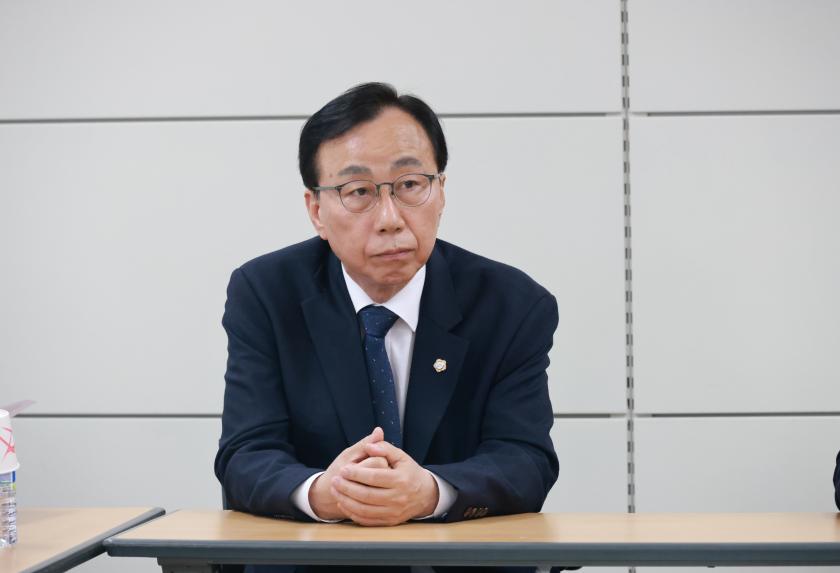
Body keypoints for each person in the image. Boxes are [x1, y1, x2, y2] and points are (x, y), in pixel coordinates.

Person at [214, 83, 560, 572]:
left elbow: (525, 460)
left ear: (441, 192)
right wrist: (325, 493)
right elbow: (245, 454)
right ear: (316, 211)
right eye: (358, 192)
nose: (391, 219)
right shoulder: (266, 294)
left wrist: (430, 492)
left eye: (410, 185)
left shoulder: (512, 304)